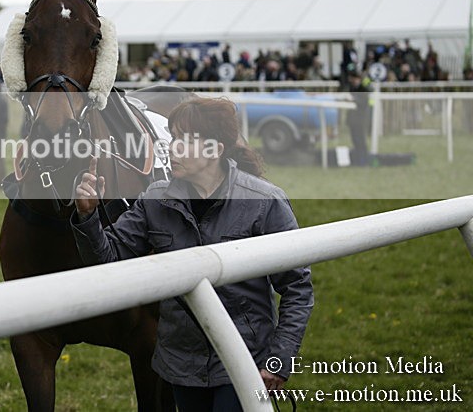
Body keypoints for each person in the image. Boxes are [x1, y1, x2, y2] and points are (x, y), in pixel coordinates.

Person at [71, 97, 313, 412]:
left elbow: (297, 288)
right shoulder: (154, 199)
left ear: (217, 149)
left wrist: (279, 359)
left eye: (186, 140)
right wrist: (87, 216)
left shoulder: (265, 201)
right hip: (179, 366)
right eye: (173, 138)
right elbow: (107, 261)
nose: (173, 148)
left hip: (245, 360)